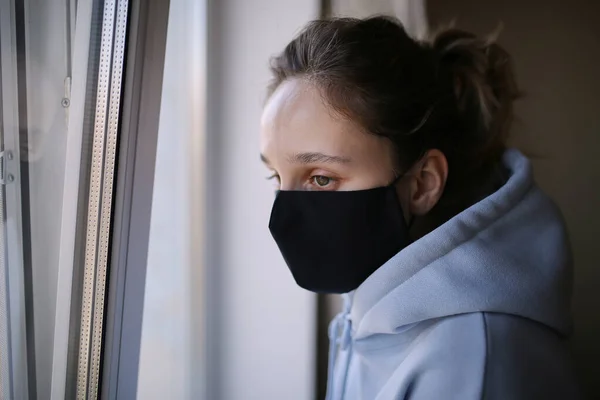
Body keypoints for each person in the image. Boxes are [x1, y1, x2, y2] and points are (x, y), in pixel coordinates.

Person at [260, 16, 580, 400]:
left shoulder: (474, 361)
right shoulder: (368, 310)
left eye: (321, 178)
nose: (283, 216)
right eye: (276, 177)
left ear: (423, 182)